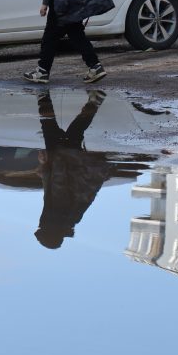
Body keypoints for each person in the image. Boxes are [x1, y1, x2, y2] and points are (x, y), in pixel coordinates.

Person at [33, 89, 115, 249]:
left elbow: (51, 190)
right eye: (40, 229)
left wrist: (44, 168)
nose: (39, 226)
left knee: (75, 130)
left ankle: (95, 102)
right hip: (63, 158)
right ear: (48, 230)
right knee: (48, 122)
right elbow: (59, 186)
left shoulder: (70, 219)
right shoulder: (55, 217)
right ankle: (42, 93)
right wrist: (52, 161)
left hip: (68, 161)